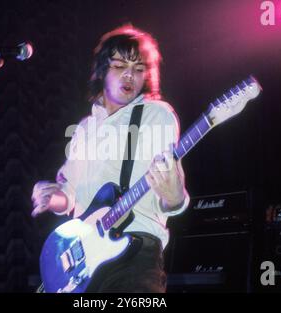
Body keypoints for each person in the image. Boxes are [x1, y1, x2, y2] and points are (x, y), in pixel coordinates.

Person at [31, 24, 190, 293]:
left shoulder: (156, 115)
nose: (130, 75)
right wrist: (51, 197)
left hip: (135, 253)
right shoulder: (84, 128)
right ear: (102, 70)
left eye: (139, 69)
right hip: (84, 260)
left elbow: (170, 198)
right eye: (119, 66)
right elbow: (68, 194)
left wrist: (174, 196)